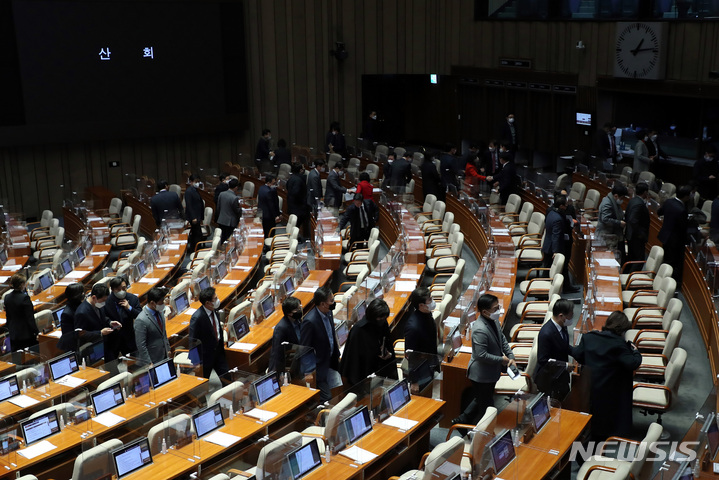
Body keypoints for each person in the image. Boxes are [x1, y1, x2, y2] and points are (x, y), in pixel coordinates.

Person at [572, 311, 642, 440]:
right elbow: (632, 363)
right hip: (610, 389)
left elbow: (578, 355)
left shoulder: (589, 337)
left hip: (589, 387)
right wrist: (636, 352)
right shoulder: (619, 344)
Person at [452, 294, 515, 425]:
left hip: (491, 372)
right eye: (495, 308)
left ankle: (463, 418)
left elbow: (501, 338)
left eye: (498, 307)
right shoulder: (480, 329)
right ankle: (481, 433)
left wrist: (510, 356)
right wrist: (501, 359)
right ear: (485, 312)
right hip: (481, 375)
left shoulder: (494, 320)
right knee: (487, 408)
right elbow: (481, 355)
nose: (498, 310)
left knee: (483, 397)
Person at [339, 298, 395, 386]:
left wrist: (389, 354)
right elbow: (353, 361)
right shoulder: (358, 330)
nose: (383, 320)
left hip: (381, 370)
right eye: (380, 318)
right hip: (364, 374)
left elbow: (388, 344)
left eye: (384, 318)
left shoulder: (383, 323)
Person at [300, 286, 341, 402]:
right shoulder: (310, 321)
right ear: (323, 304)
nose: (334, 303)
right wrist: (308, 371)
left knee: (340, 388)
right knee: (326, 397)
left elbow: (331, 334)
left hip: (331, 359)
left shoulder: (328, 312)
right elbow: (305, 347)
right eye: (331, 301)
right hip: (319, 366)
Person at [534, 299, 575, 401]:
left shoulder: (562, 325)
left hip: (561, 376)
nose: (572, 317)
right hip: (549, 379)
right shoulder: (546, 333)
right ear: (561, 316)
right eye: (570, 315)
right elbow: (543, 360)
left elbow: (563, 345)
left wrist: (579, 353)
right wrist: (565, 365)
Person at [74, 283, 122, 362]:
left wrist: (110, 322)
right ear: (94, 297)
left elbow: (102, 318)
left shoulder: (98, 304)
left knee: (112, 367)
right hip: (92, 347)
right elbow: (80, 334)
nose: (104, 303)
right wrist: (100, 333)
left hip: (104, 343)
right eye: (103, 300)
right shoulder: (81, 312)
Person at [189, 287, 229, 379]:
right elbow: (192, 340)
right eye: (215, 299)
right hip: (205, 356)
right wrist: (196, 362)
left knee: (227, 379)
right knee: (203, 384)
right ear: (208, 303)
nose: (217, 300)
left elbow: (217, 329)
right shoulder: (197, 318)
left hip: (218, 352)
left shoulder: (214, 310)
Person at [658, 185, 691, 289]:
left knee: (667, 260)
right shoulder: (681, 210)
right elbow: (683, 228)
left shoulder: (669, 202)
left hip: (665, 237)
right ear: (686, 197)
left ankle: (662, 280)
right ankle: (669, 285)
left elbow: (660, 212)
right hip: (675, 241)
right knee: (673, 263)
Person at [104, 276, 142, 355]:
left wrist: (129, 308)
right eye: (118, 289)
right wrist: (110, 322)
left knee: (134, 363)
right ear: (113, 289)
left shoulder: (133, 299)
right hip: (112, 338)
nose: (121, 291)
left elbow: (140, 316)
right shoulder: (106, 301)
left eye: (124, 288)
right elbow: (102, 317)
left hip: (129, 337)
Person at [134, 287, 171, 366]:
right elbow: (141, 345)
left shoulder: (159, 312)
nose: (163, 304)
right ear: (152, 303)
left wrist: (168, 348)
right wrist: (148, 362)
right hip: (152, 359)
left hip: (164, 355)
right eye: (161, 302)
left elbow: (163, 333)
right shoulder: (141, 320)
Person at [269, 296, 303, 379]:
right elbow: (277, 352)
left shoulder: (297, 320)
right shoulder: (281, 328)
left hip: (299, 356)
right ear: (289, 313)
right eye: (297, 309)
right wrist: (279, 373)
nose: (300, 310)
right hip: (290, 361)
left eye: (300, 307)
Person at [5, 273, 39, 351]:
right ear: (21, 285)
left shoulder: (7, 297)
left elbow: (8, 316)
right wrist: (36, 332)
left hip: (13, 333)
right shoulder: (25, 298)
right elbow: (30, 318)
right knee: (30, 356)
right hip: (26, 334)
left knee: (17, 356)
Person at [596, 183, 628, 264]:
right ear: (616, 196)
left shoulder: (611, 200)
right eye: (622, 198)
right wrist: (619, 223)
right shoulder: (608, 203)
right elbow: (605, 219)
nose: (622, 200)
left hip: (611, 234)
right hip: (606, 236)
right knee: (608, 260)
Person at [404, 287, 438, 356]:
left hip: (431, 355)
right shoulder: (412, 327)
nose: (432, 301)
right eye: (430, 300)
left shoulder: (427, 313)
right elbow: (410, 354)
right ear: (421, 305)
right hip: (421, 363)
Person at [625, 182, 651, 271]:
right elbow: (633, 220)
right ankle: (631, 280)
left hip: (630, 235)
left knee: (631, 258)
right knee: (638, 260)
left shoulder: (633, 200)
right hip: (636, 237)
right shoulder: (639, 204)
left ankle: (626, 276)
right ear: (645, 192)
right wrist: (641, 234)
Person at [541, 195, 569, 271]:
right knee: (549, 270)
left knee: (546, 269)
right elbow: (555, 236)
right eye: (565, 205)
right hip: (552, 248)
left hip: (547, 245)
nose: (566, 207)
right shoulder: (558, 219)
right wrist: (555, 251)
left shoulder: (550, 212)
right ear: (561, 206)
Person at [58, 283, 85, 352]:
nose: (84, 294)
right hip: (76, 348)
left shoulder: (80, 306)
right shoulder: (67, 314)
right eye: (82, 292)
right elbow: (69, 337)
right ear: (76, 296)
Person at [287, 163, 309, 241]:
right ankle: (294, 238)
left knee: (295, 224)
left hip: (292, 205)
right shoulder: (299, 180)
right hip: (298, 207)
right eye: (302, 169)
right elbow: (296, 193)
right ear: (300, 170)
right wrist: (303, 201)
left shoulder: (291, 178)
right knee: (296, 224)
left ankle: (294, 237)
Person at [216, 178, 241, 244]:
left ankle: (220, 251)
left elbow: (218, 207)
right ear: (236, 187)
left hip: (221, 220)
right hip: (230, 223)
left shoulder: (221, 194)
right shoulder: (234, 198)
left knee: (221, 238)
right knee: (228, 240)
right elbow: (237, 211)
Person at [184, 174, 205, 253]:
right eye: (196, 182)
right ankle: (196, 250)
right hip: (194, 217)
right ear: (191, 182)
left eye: (198, 181)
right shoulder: (189, 191)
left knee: (196, 234)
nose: (198, 183)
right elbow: (189, 205)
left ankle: (195, 249)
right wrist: (193, 217)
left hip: (197, 216)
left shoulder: (195, 190)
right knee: (197, 234)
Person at [257, 173, 281, 238]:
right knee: (270, 232)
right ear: (268, 183)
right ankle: (269, 245)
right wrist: (276, 216)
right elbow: (271, 205)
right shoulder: (269, 192)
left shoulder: (261, 188)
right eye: (273, 183)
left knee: (264, 230)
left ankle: (265, 243)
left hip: (262, 213)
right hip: (269, 216)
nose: (274, 185)